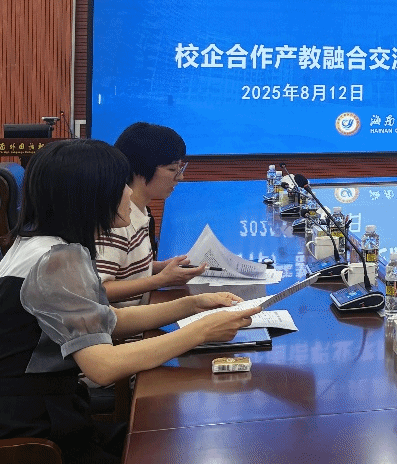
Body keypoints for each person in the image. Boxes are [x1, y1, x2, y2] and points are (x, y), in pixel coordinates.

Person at [0, 139, 258, 462]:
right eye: (120, 184)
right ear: (89, 194)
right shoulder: (57, 259)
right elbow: (104, 366)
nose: (128, 192)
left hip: (44, 412)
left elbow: (108, 319)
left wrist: (192, 305)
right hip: (35, 434)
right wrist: (202, 331)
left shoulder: (39, 243)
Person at [95, 122, 205, 307]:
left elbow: (122, 267)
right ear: (141, 169)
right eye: (172, 169)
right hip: (124, 322)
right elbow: (99, 290)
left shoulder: (140, 210)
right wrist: (160, 280)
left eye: (180, 169)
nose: (180, 177)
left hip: (141, 310)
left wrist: (159, 268)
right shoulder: (117, 222)